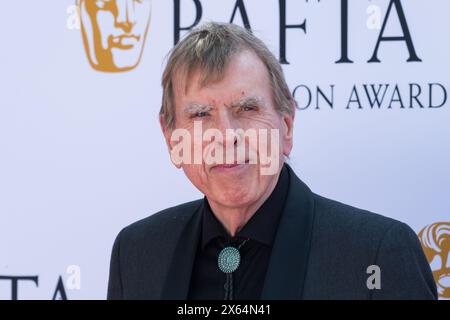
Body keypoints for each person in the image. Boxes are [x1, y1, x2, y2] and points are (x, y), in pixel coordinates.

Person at [107, 22, 437, 300]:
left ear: (287, 124)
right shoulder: (136, 253)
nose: (226, 135)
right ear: (170, 136)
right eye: (200, 114)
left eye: (247, 109)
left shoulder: (379, 252)